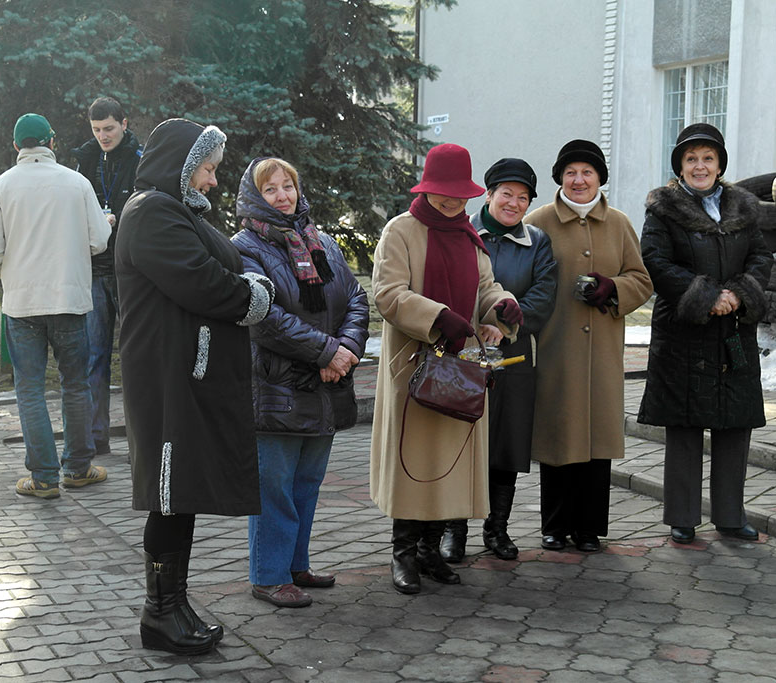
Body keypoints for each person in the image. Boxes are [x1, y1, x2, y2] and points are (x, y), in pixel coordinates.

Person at [116, 118, 274, 654]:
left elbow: (212, 270)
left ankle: (172, 603)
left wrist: (247, 282)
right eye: (206, 169)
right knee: (170, 496)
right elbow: (201, 282)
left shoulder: (171, 211)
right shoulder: (152, 212)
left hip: (182, 374)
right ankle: (160, 612)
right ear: (181, 167)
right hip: (167, 379)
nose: (211, 181)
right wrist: (251, 294)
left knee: (179, 494)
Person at [370, 143, 521, 595]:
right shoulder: (401, 231)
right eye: (443, 192)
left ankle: (431, 550)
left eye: (459, 193)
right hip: (415, 369)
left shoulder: (469, 236)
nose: (452, 200)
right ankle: (403, 553)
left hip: (461, 371)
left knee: (448, 466)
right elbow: (387, 293)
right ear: (428, 188)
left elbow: (487, 288)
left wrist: (501, 310)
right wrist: (438, 317)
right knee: (414, 461)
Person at [232, 157, 369, 608]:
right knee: (274, 486)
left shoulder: (321, 242)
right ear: (255, 197)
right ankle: (268, 575)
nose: (283, 195)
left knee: (307, 482)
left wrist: (345, 349)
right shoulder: (245, 247)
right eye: (270, 189)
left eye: (287, 185)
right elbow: (264, 318)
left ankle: (296, 566)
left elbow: (355, 297)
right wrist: (327, 352)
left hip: (323, 386)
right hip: (275, 387)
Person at [638, 123, 772, 545]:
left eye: (707, 158)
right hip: (684, 331)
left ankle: (731, 516)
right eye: (691, 158)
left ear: (720, 164)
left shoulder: (744, 207)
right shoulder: (663, 209)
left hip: (733, 330)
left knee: (735, 422)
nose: (700, 166)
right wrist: (705, 295)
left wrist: (739, 293)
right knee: (685, 423)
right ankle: (683, 516)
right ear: (680, 165)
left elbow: (762, 256)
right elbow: (655, 261)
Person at [526, 139, 653, 553]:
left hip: (601, 352)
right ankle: (555, 525)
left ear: (600, 178)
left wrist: (613, 287)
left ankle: (589, 528)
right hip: (555, 347)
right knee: (558, 436)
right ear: (560, 179)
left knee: (596, 441)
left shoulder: (617, 222)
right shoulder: (538, 221)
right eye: (570, 173)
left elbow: (642, 278)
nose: (579, 180)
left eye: (587, 172)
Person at [0, 113, 111, 499]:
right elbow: (99, 239)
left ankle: (43, 478)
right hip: (70, 300)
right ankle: (79, 468)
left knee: (31, 390)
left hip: (21, 304)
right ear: (52, 143)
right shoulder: (76, 183)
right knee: (75, 385)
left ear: (17, 146)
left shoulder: (2, 187)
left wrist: (11, 271)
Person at [440, 158, 557, 562]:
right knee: (463, 442)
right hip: (466, 352)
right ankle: (454, 531)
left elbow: (544, 294)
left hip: (515, 354)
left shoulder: (538, 242)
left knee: (507, 444)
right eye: (507, 193)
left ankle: (498, 529)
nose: (514, 203)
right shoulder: (464, 231)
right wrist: (480, 324)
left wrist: (505, 325)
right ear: (489, 194)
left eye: (523, 197)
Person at [71, 96, 142, 456]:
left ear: (124, 124)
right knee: (94, 355)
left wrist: (119, 219)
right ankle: (97, 437)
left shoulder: (140, 160)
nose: (103, 136)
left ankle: (139, 438)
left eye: (109, 128)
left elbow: (149, 209)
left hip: (129, 271)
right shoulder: (84, 161)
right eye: (97, 130)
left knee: (134, 355)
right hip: (95, 269)